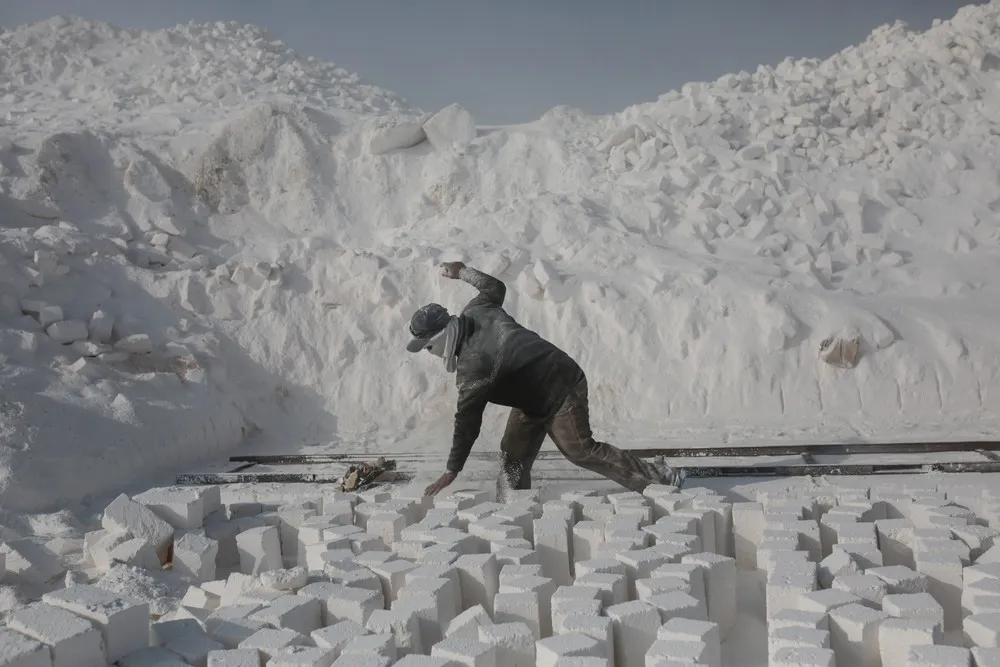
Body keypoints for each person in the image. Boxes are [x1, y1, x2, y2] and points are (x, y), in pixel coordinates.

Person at [406, 260, 685, 497]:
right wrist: (463, 271)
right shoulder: (477, 310)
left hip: (561, 387)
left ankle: (659, 477)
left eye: (428, 347)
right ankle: (513, 510)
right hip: (531, 397)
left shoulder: (474, 367)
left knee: (580, 450)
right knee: (512, 457)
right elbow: (495, 288)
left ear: (440, 338)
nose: (429, 353)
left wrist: (451, 471)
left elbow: (467, 423)